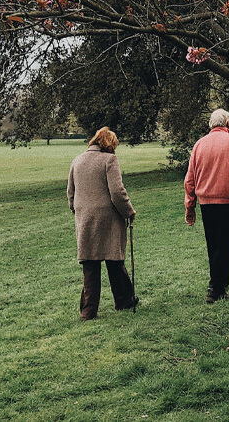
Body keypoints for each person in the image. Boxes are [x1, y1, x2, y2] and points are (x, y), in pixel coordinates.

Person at [184, 109, 229, 303]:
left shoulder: (199, 145)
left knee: (214, 244)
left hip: (207, 205)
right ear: (228, 124)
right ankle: (216, 287)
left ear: (211, 124)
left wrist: (190, 206)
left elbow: (190, 179)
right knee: (225, 245)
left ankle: (218, 284)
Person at [67, 127, 138, 320]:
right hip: (108, 218)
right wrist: (129, 211)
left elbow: (70, 194)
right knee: (114, 260)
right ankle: (124, 300)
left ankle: (88, 311)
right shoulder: (109, 160)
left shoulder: (77, 160)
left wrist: (78, 211)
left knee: (90, 264)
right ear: (110, 144)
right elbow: (117, 192)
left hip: (85, 219)